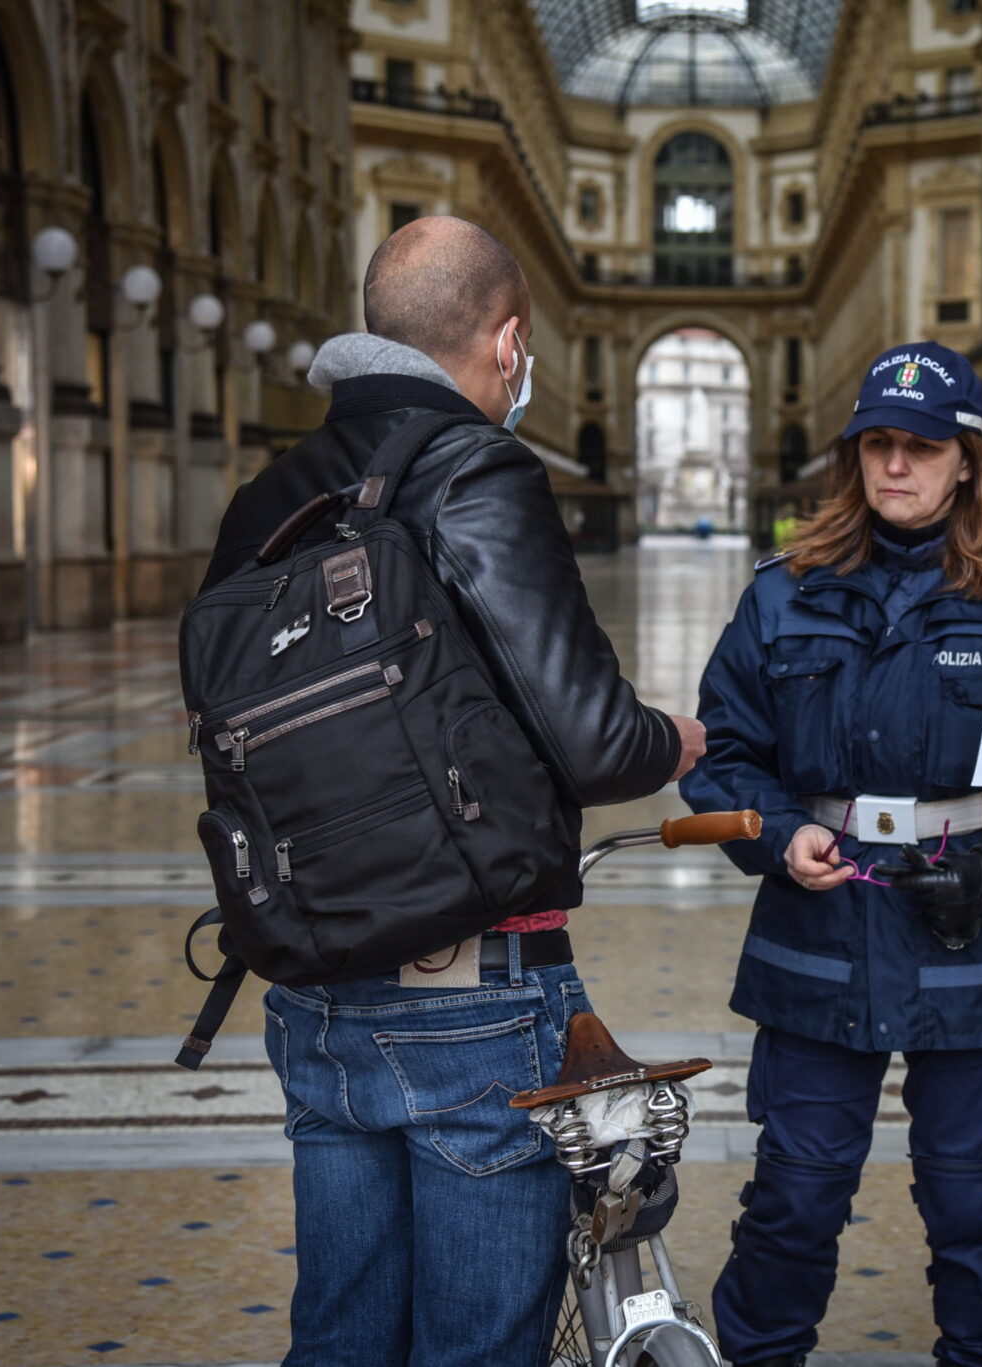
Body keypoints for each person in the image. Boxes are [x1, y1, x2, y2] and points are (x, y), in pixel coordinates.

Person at [198, 216, 706, 1367]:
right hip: (476, 996)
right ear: (508, 341)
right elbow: (589, 737)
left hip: (312, 989)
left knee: (340, 1339)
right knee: (477, 1348)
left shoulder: (266, 496)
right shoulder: (472, 465)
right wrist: (668, 738)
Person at [680, 341, 982, 1367]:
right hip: (821, 926)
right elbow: (724, 753)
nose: (896, 464)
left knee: (973, 1199)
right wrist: (776, 832)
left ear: (966, 460)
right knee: (794, 1196)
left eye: (922, 445)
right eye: (877, 444)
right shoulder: (783, 594)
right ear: (853, 456)